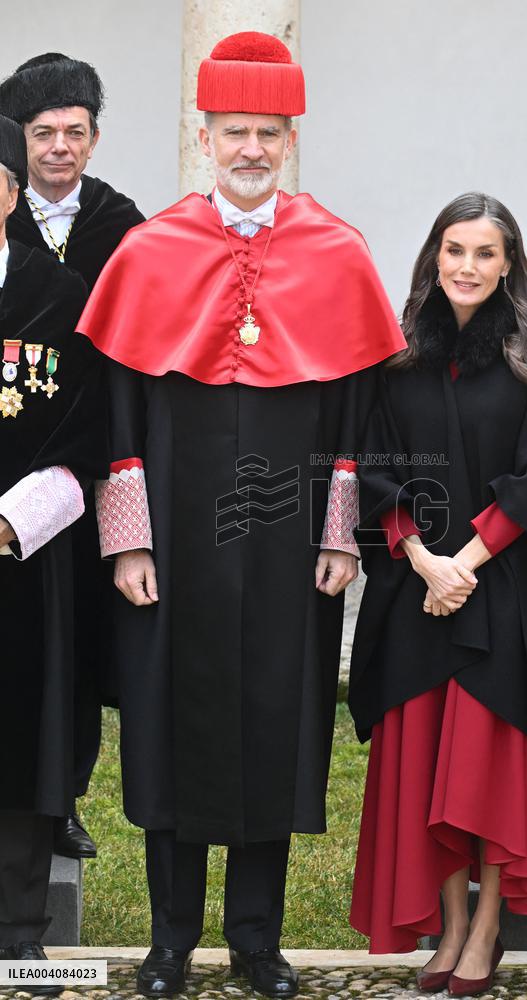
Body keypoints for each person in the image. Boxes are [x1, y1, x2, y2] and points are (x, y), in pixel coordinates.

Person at [76, 31, 405, 1000]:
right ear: (205, 133)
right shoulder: (151, 250)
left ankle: (256, 939)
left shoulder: (336, 251)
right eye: (235, 132)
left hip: (286, 535)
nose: (252, 148)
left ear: (288, 137)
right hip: (172, 537)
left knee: (277, 716)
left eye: (268, 132)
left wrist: (342, 533)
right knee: (171, 723)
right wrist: (127, 535)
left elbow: (355, 415)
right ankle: (172, 937)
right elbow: (122, 411)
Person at [348, 192, 527, 997]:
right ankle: (449, 926)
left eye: (486, 254)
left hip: (504, 588)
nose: (468, 268)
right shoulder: (399, 354)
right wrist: (421, 559)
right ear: (432, 257)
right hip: (417, 589)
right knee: (425, 771)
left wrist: (467, 562)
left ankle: (487, 931)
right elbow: (373, 468)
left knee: (482, 769)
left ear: (510, 264)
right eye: (455, 251)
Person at [0, 53, 145, 859]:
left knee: (85, 631)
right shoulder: (1, 215)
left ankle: (65, 796)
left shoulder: (126, 229)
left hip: (95, 454)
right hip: (22, 460)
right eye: (42, 132)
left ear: (94, 139)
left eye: (75, 132)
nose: (59, 146)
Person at [0, 113, 106, 987]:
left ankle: (20, 923)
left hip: (25, 561)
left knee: (24, 736)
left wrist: (11, 519)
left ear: (9, 194)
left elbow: (84, 428)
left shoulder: (60, 295)